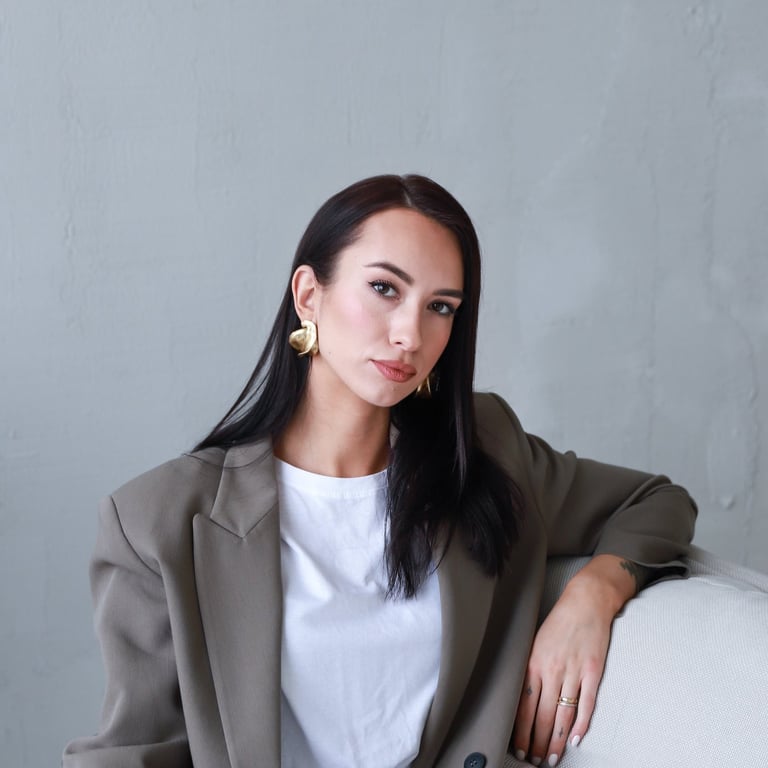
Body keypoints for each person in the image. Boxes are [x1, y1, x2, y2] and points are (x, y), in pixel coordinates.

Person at [63, 174, 696, 768]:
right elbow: (134, 749)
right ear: (309, 295)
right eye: (385, 289)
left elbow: (654, 501)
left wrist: (592, 597)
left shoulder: (483, 452)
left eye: (440, 307)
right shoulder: (160, 521)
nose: (410, 335)